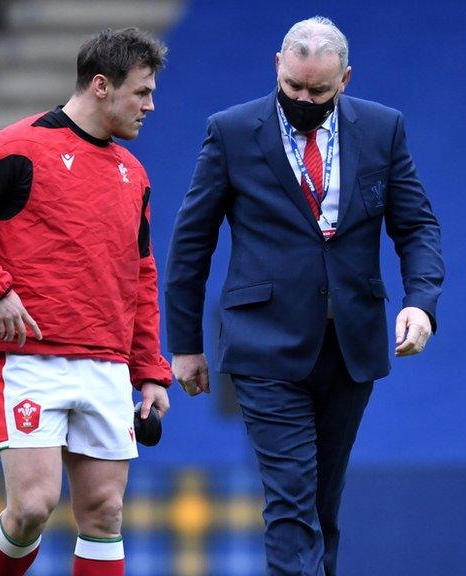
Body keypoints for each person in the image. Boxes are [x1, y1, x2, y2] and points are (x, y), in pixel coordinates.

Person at [166, 16, 445, 576]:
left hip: (350, 345)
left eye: (318, 91)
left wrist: (421, 301)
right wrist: (186, 345)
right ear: (277, 66)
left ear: (345, 78)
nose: (304, 99)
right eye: (293, 87)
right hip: (264, 346)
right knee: (292, 507)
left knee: (322, 506)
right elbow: (190, 244)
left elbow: (416, 227)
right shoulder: (232, 131)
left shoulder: (383, 128)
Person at [0, 28, 171, 576]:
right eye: (142, 92)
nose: (151, 106)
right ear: (101, 85)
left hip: (106, 364)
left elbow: (142, 276)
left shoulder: (134, 175)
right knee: (33, 506)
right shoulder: (14, 147)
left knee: (105, 513)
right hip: (30, 357)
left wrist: (149, 369)